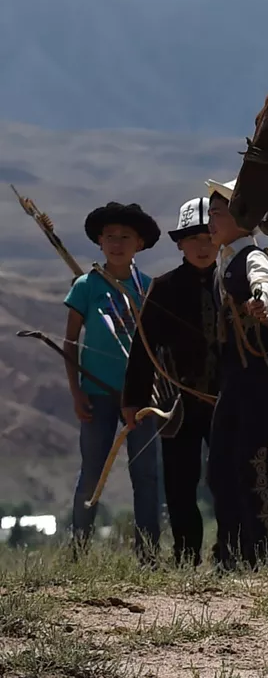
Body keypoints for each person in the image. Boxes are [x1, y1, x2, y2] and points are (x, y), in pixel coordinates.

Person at [123, 197, 223, 565]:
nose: (202, 246)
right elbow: (143, 349)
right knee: (180, 482)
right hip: (176, 402)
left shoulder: (233, 285)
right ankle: (186, 556)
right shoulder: (164, 288)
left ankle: (231, 552)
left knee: (227, 478)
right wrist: (133, 401)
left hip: (227, 400)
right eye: (193, 238)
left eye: (209, 237)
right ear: (180, 243)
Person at [63, 202, 163, 561]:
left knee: (146, 475)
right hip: (96, 394)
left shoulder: (149, 288)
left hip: (142, 397)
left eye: (125, 237)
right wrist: (76, 392)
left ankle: (148, 555)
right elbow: (70, 342)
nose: (117, 244)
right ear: (99, 241)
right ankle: (78, 552)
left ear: (139, 243)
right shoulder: (85, 286)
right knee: (92, 473)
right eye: (110, 237)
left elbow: (157, 346)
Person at [205, 181, 268, 570]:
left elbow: (264, 283)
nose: (210, 221)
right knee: (221, 466)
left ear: (241, 217)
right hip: (235, 380)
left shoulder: (252, 258)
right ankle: (231, 553)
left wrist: (262, 302)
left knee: (250, 463)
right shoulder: (224, 261)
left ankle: (261, 556)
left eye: (217, 213)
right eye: (210, 213)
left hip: (259, 379)